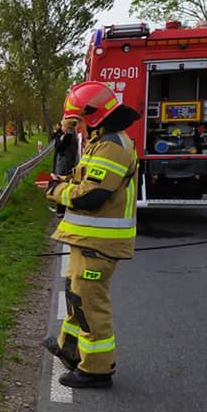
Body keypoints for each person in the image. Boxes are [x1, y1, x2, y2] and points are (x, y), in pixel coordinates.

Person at [43, 81, 140, 389]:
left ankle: (97, 369)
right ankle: (71, 350)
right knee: (77, 297)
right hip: (87, 242)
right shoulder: (101, 143)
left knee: (90, 304)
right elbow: (86, 177)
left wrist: (57, 191)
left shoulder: (111, 146)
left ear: (93, 116)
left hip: (100, 244)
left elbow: (90, 197)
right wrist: (65, 178)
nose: (78, 129)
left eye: (79, 122)